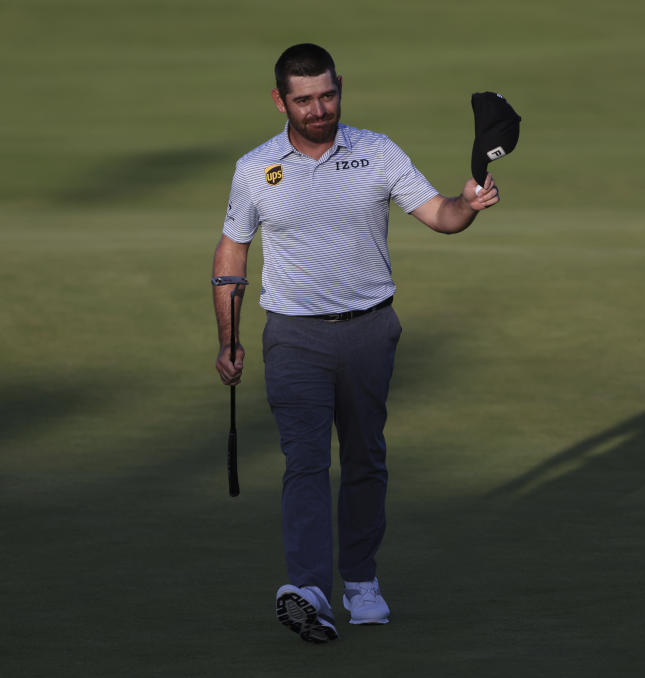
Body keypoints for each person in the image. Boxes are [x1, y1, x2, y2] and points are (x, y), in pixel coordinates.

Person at [211, 43, 499, 643]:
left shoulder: (376, 151)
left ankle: (362, 581)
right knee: (307, 462)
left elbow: (438, 214)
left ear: (339, 86)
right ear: (280, 101)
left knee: (366, 458)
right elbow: (232, 249)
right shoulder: (254, 168)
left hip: (371, 331)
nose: (318, 109)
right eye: (304, 99)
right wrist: (228, 338)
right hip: (293, 335)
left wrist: (467, 204)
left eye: (327, 94)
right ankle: (310, 590)